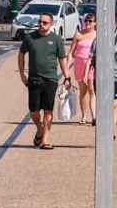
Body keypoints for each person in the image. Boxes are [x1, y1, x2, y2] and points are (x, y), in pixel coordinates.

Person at [17, 11, 72, 149]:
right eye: (40, 22)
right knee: (34, 111)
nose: (41, 24)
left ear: (51, 24)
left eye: (45, 22)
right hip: (34, 78)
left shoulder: (56, 39)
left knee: (48, 109)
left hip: (50, 79)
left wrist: (67, 77)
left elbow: (62, 59)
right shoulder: (30, 38)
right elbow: (21, 54)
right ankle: (39, 128)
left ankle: (45, 140)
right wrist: (22, 74)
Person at [67, 13, 97, 125]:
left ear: (95, 23)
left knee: (92, 90)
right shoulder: (79, 34)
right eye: (86, 21)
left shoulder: (97, 35)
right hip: (80, 64)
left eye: (90, 21)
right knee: (83, 91)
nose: (88, 23)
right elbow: (71, 52)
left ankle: (94, 116)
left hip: (93, 65)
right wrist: (67, 68)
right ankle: (84, 116)